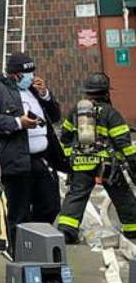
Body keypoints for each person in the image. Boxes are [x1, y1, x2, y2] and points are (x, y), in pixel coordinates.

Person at [0, 53, 68, 250]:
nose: (31, 77)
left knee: (50, 205)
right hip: (15, 159)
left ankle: (36, 240)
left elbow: (54, 115)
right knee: (19, 211)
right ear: (14, 75)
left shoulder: (34, 90)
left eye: (32, 72)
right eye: (26, 74)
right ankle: (20, 251)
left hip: (41, 159)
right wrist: (19, 122)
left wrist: (46, 94)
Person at [58, 72, 136, 243]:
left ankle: (66, 231)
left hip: (80, 163)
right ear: (107, 93)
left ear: (87, 93)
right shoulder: (111, 113)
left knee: (76, 196)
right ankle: (133, 230)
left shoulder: (76, 112)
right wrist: (133, 165)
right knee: (122, 196)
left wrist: (70, 159)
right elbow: (124, 144)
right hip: (106, 166)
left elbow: (64, 136)